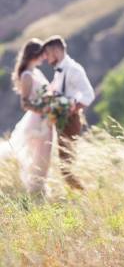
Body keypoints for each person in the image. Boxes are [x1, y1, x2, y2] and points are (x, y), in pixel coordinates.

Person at [0, 38, 53, 194]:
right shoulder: (27, 76)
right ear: (35, 54)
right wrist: (44, 109)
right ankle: (35, 187)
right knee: (36, 153)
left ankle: (39, 187)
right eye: (43, 54)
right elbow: (25, 104)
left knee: (45, 153)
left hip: (46, 118)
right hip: (36, 120)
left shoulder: (37, 72)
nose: (45, 57)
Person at [42, 35, 95, 190]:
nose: (46, 58)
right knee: (65, 163)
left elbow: (89, 94)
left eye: (48, 54)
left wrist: (73, 108)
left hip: (70, 120)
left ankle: (85, 195)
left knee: (66, 165)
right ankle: (79, 195)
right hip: (60, 119)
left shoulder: (74, 69)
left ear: (57, 51)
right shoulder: (59, 70)